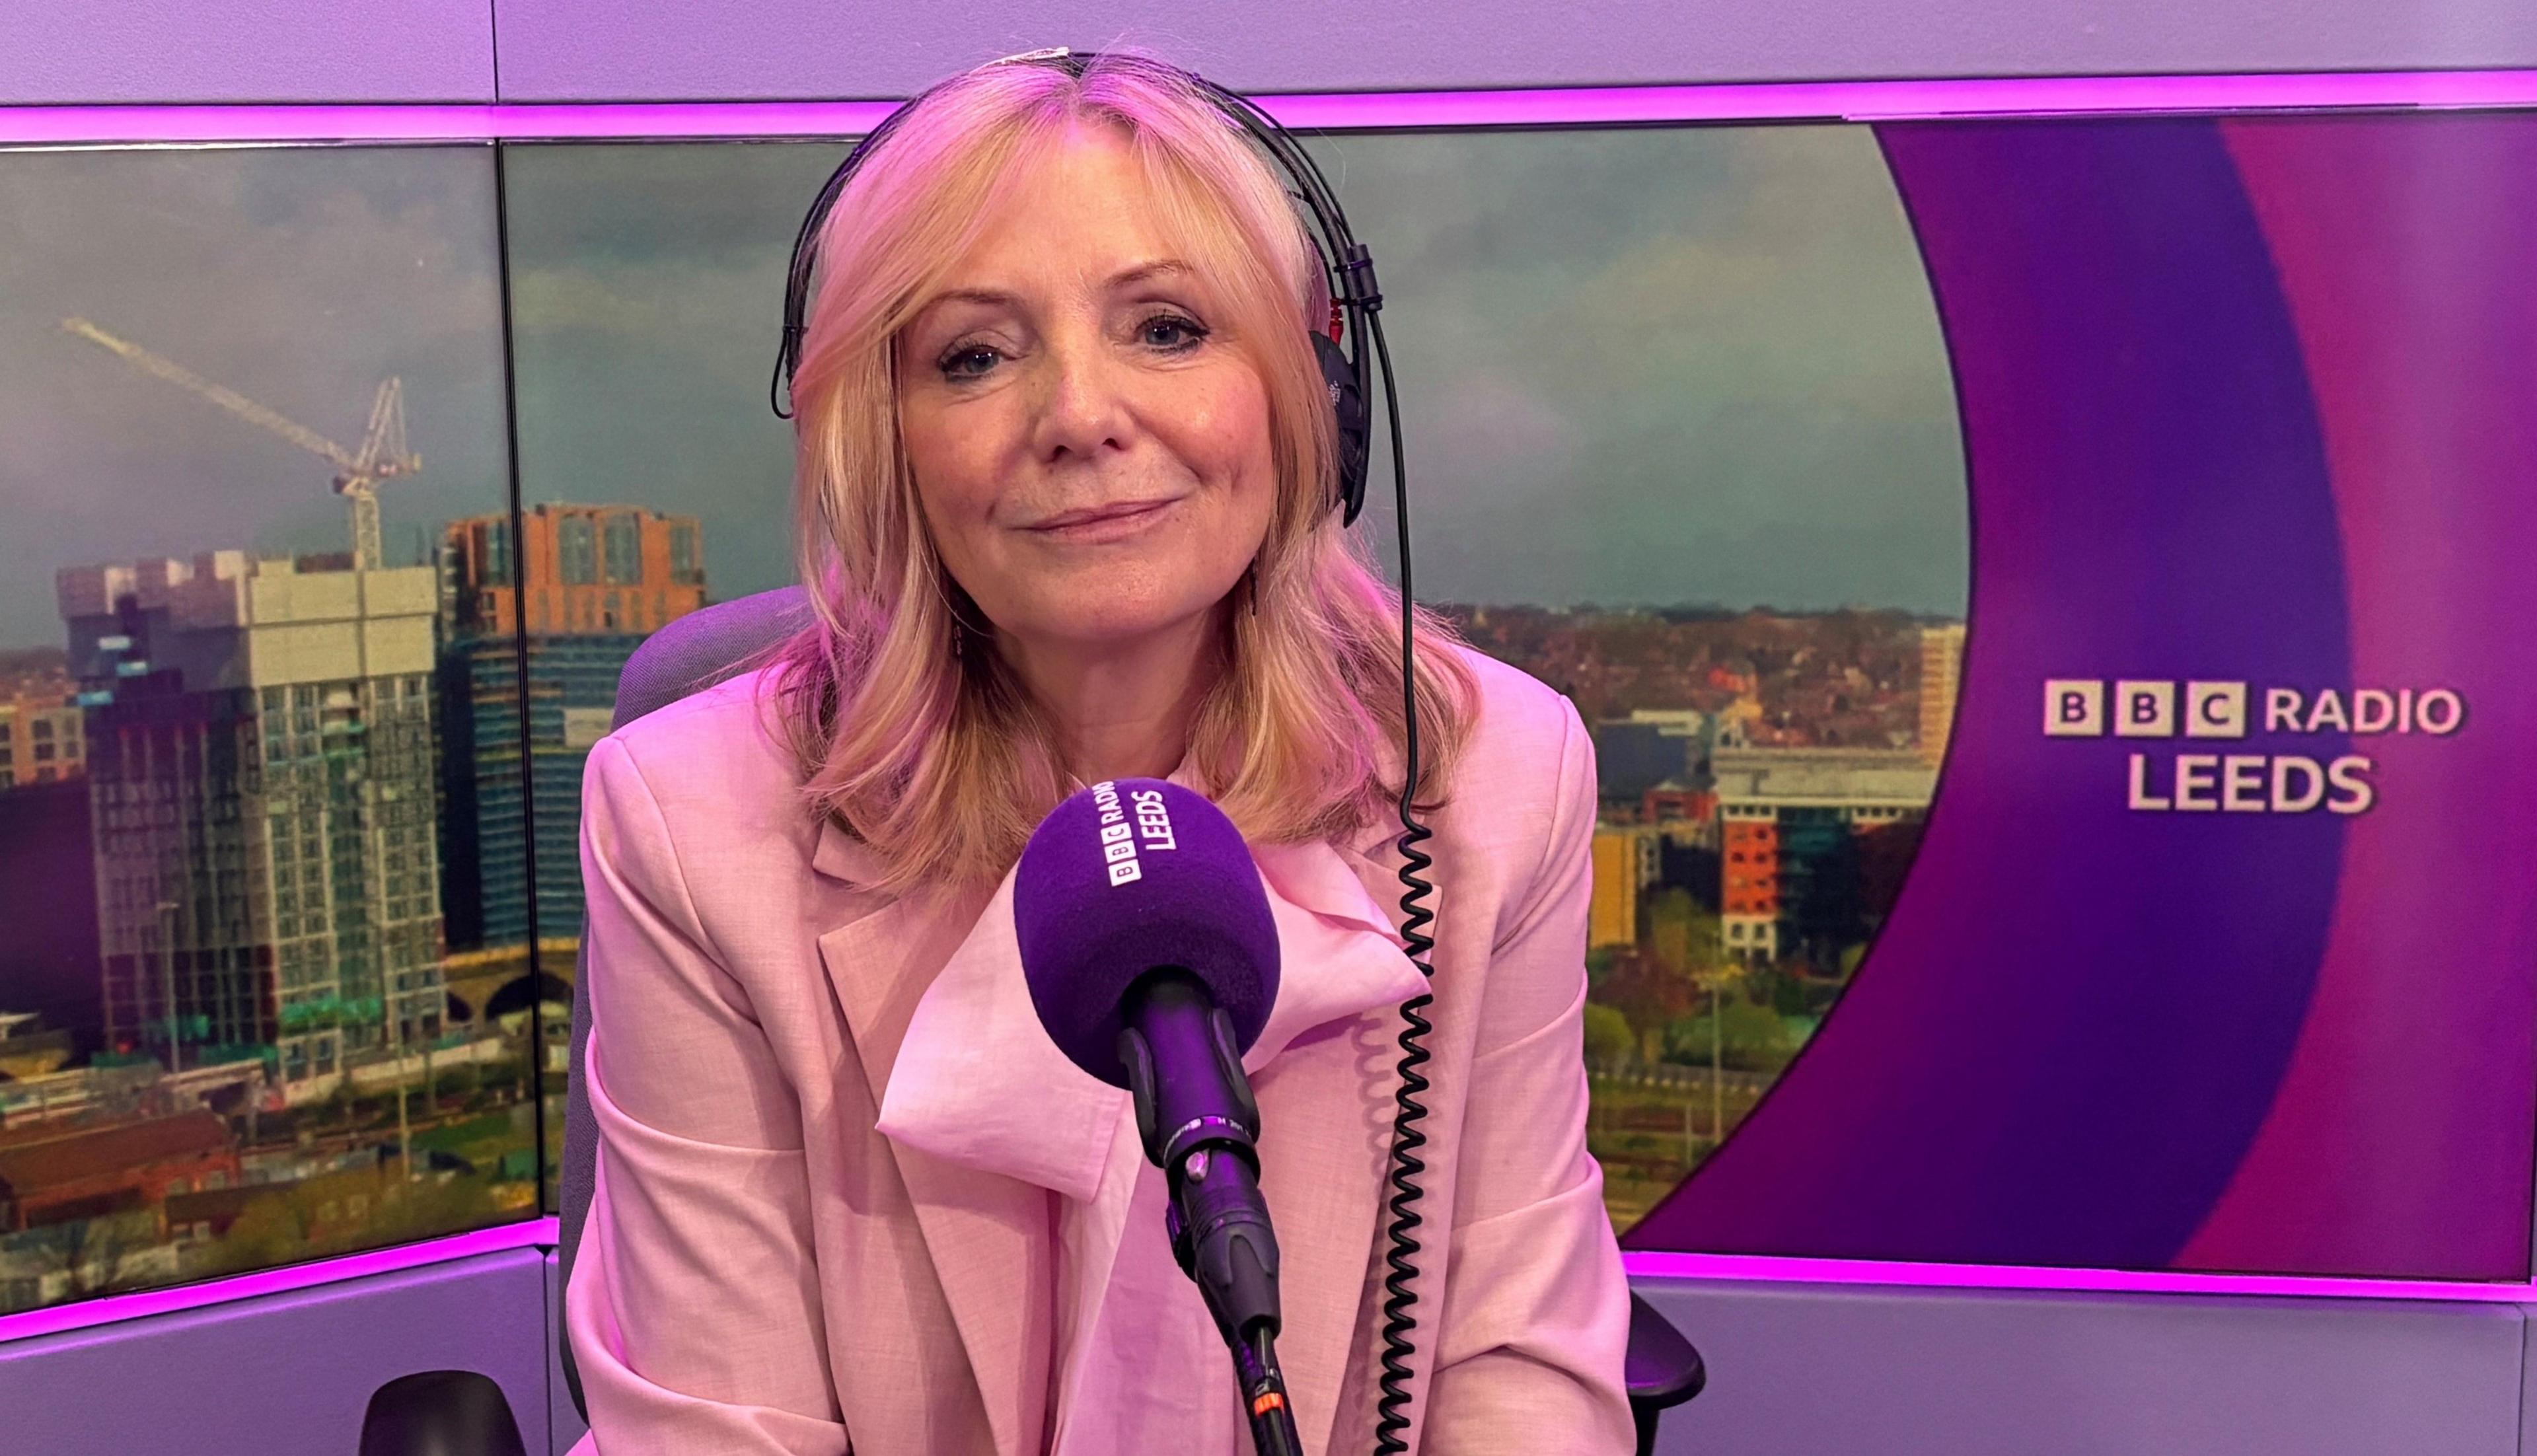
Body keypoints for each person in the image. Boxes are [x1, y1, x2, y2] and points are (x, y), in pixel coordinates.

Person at [567, 50, 1632, 1455]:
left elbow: (1518, 1365)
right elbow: (717, 1429)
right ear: (885, 441)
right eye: (973, 354)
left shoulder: (1491, 779)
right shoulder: (689, 825)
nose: (1079, 415)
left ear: (1308, 392)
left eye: (1170, 328)